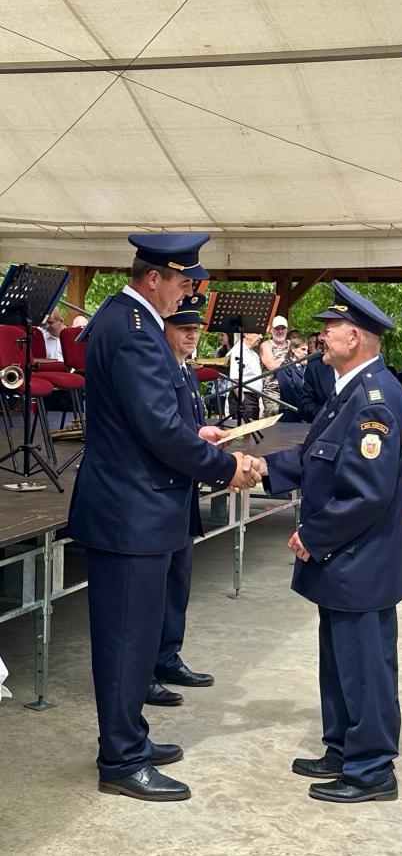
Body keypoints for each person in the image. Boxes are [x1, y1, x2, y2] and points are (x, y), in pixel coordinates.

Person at [68, 232, 261, 803]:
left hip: (138, 505)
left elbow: (150, 419)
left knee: (136, 634)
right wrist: (225, 467)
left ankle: (129, 737)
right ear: (154, 278)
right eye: (182, 282)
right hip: (131, 509)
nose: (187, 293)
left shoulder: (131, 321)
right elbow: (155, 428)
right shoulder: (134, 331)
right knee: (127, 640)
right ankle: (121, 760)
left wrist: (195, 434)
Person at [257, 280, 402, 804]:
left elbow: (367, 494)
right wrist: (259, 468)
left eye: (331, 328)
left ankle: (372, 770)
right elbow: (314, 457)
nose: (321, 336)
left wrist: (312, 535)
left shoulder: (374, 401)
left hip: (360, 559)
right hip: (347, 560)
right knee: (341, 658)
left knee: (365, 664)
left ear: (356, 338)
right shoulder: (347, 390)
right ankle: (344, 747)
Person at [145, 294, 217, 708]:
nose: (191, 335)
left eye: (195, 329)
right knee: (153, 589)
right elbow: (162, 432)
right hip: (160, 491)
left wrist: (203, 435)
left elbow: (186, 426)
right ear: (165, 329)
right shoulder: (159, 369)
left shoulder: (186, 371)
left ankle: (167, 657)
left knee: (177, 581)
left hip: (182, 488)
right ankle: (145, 672)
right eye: (183, 328)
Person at [228, 332, 263, 421]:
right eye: (257, 333)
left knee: (253, 427)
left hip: (254, 397)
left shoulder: (254, 354)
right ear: (246, 334)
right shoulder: (238, 351)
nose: (261, 336)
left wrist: (260, 401)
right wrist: (243, 401)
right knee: (244, 426)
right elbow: (234, 379)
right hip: (243, 396)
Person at [298, 335, 335, 421]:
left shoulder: (362, 367)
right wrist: (329, 413)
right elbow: (304, 406)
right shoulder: (314, 367)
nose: (321, 337)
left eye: (328, 332)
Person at [259, 315, 289, 417]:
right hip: (272, 390)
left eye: (282, 328)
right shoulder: (266, 345)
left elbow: (304, 361)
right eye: (277, 328)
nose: (280, 331)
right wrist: (290, 361)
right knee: (272, 419)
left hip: (290, 389)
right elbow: (272, 366)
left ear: (287, 330)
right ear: (272, 330)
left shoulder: (292, 344)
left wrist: (279, 361)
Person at [276, 335, 308, 422]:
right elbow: (288, 392)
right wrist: (302, 409)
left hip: (302, 411)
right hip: (289, 412)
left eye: (307, 350)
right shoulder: (285, 367)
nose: (306, 353)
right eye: (303, 349)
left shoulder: (303, 368)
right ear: (293, 349)